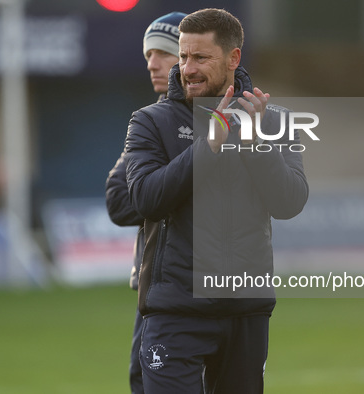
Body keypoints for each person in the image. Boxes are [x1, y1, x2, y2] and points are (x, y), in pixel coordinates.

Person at [124, 8, 309, 393]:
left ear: (233, 58)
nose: (187, 69)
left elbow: (289, 201)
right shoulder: (148, 122)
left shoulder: (273, 122)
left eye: (201, 58)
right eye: (185, 56)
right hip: (175, 312)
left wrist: (256, 144)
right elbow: (146, 199)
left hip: (245, 311)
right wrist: (208, 146)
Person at [105, 11, 186, 394]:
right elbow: (120, 202)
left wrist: (159, 188)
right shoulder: (149, 122)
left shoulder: (232, 118)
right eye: (148, 54)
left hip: (216, 288)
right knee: (144, 381)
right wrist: (176, 190)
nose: (152, 63)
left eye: (162, 53)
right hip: (155, 288)